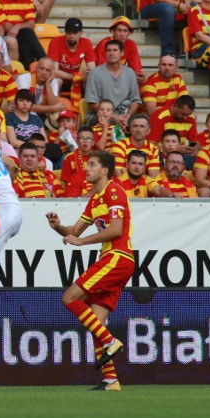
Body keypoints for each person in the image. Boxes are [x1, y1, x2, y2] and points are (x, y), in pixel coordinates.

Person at [45, 150, 133, 390]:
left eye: (92, 164)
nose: (86, 168)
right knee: (94, 319)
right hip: (114, 259)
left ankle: (110, 341)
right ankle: (111, 380)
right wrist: (58, 227)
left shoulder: (114, 190)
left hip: (118, 257)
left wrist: (81, 242)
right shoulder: (95, 199)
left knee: (69, 297)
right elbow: (74, 231)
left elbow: (116, 230)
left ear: (105, 170)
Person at [0, 0, 46, 69]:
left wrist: (18, 27)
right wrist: (19, 27)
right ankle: (44, 61)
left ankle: (28, 73)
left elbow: (31, 23)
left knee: (25, 44)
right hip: (4, 36)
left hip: (20, 35)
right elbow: (5, 26)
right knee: (27, 34)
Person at [85, 39, 140, 122]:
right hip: (100, 116)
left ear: (122, 53)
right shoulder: (95, 73)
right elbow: (92, 104)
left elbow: (135, 100)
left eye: (115, 50)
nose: (111, 53)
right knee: (114, 122)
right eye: (108, 50)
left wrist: (128, 116)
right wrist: (114, 117)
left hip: (124, 116)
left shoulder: (130, 73)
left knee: (140, 121)